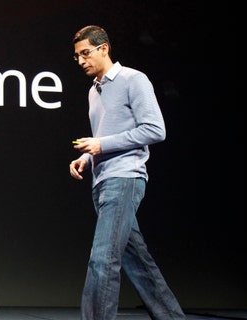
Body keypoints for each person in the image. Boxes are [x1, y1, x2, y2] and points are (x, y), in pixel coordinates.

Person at [68, 25, 186, 320]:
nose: (81, 60)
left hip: (125, 178)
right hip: (102, 181)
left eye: (86, 53)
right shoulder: (93, 92)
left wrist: (101, 144)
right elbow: (107, 134)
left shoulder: (133, 79)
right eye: (77, 56)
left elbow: (155, 130)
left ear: (104, 48)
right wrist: (86, 155)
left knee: (103, 259)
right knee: (138, 262)